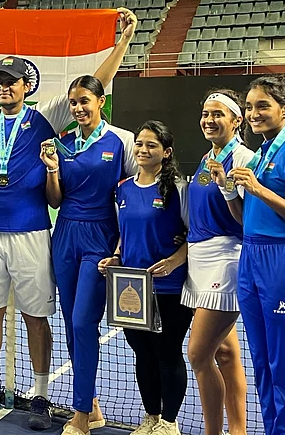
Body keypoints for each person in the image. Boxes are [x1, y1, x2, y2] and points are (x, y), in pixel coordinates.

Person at [0, 4, 139, 429]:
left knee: (37, 316)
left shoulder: (45, 117)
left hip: (34, 233)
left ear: (25, 86)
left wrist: (123, 41)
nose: (3, 87)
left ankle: (38, 396)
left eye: (11, 82)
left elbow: (95, 85)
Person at [223, 74, 285, 435]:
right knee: (263, 362)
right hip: (251, 258)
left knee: (284, 365)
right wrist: (230, 191)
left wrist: (259, 190)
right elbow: (245, 220)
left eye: (262, 106)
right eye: (249, 107)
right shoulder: (261, 154)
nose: (254, 113)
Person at [39, 75, 136, 435]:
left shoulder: (122, 141)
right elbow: (55, 199)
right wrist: (51, 169)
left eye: (85, 101)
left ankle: (80, 413)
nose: (78, 108)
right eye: (74, 102)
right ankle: (90, 404)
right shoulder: (61, 144)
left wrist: (121, 247)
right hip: (64, 233)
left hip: (101, 236)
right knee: (69, 322)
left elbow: (132, 195)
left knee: (83, 322)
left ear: (100, 103)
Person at [98, 121, 192, 435]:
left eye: (151, 145)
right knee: (143, 352)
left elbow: (197, 235)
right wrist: (116, 257)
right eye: (139, 144)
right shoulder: (122, 188)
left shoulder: (178, 187)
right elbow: (125, 234)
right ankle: (151, 417)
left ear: (166, 152)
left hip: (169, 287)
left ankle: (169, 423)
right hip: (130, 287)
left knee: (167, 352)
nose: (143, 150)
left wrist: (174, 261)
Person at [184, 90, 251, 435]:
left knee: (198, 355)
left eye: (218, 114)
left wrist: (227, 188)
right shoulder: (208, 156)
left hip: (226, 260)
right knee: (224, 352)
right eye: (205, 113)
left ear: (237, 120)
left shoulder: (244, 159)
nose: (209, 120)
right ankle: (237, 431)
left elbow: (247, 221)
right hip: (198, 261)